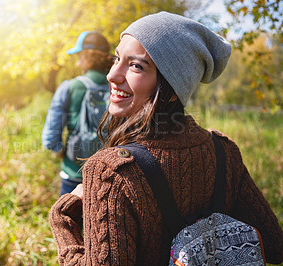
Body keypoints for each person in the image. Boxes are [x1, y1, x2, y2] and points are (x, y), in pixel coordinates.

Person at [49, 11, 283, 265]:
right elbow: (274, 246)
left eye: (136, 65)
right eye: (117, 58)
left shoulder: (110, 173)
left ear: (172, 89)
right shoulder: (223, 152)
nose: (112, 75)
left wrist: (62, 219)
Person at [42, 31, 113, 196]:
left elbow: (50, 138)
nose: (78, 62)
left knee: (66, 221)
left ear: (88, 56)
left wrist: (63, 153)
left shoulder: (69, 87)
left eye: (79, 56)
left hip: (73, 175)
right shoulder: (120, 87)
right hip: (109, 177)